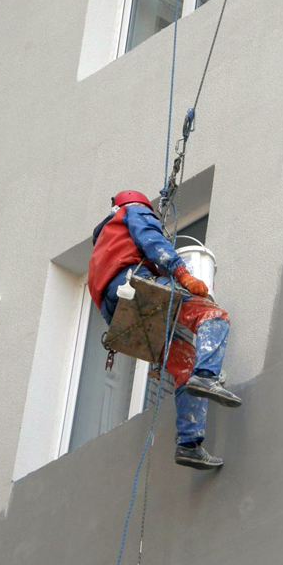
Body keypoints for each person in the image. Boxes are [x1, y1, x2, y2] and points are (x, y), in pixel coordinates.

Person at [88, 190, 241, 470]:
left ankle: (189, 445)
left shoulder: (102, 245)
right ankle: (207, 376)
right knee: (213, 315)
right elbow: (151, 239)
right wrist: (183, 274)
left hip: (121, 312)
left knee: (184, 365)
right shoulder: (133, 211)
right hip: (136, 286)